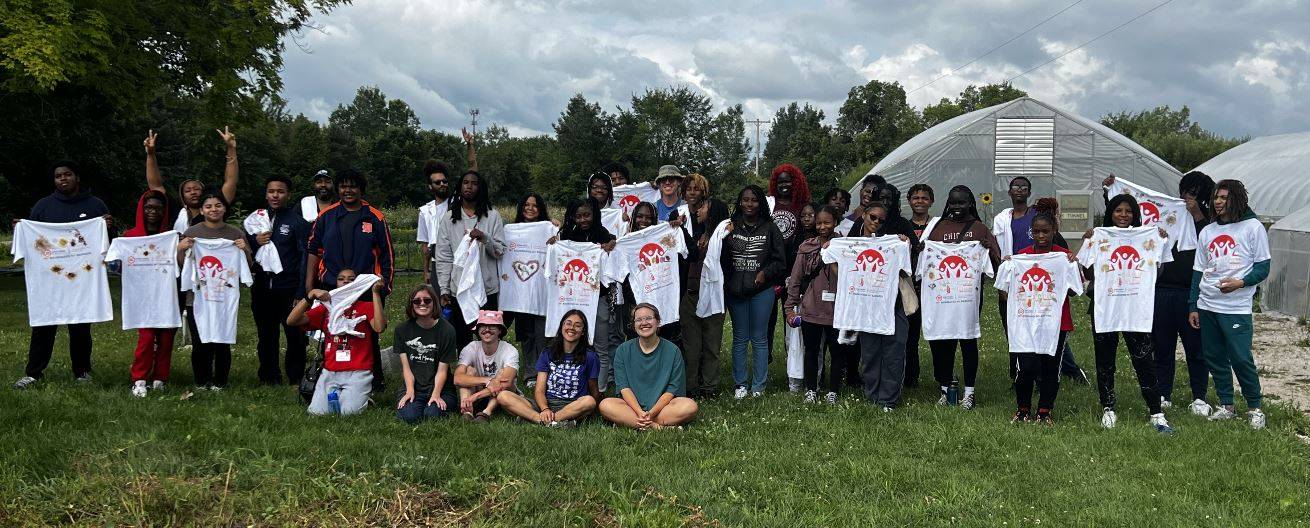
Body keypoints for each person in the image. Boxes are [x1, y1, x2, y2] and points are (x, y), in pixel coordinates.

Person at [12, 160, 113, 389]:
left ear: (77, 177)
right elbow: (34, 241)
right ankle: (33, 373)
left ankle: (82, 371)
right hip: (50, 279)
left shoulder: (96, 205)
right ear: (54, 180)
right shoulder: (43, 207)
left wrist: (107, 225)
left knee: (80, 326)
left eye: (67, 174)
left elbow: (108, 242)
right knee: (44, 325)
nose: (63, 179)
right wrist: (22, 229)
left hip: (82, 279)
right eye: (58, 176)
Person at [1079, 193, 1173, 433]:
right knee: (1105, 361)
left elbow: (1158, 273)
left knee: (1144, 360)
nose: (1123, 215)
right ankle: (1108, 408)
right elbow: (1087, 274)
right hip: (1105, 308)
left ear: (1135, 214)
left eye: (1128, 211)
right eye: (1118, 211)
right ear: (1110, 212)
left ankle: (1156, 411)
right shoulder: (1099, 237)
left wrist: (1161, 241)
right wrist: (1088, 241)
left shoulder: (1148, 237)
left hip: (1135, 309)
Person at [1190, 179, 1270, 429]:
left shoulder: (1252, 227)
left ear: (1236, 199)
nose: (1218, 202)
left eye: (1224, 197)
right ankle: (1227, 405)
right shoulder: (1208, 231)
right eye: (1216, 197)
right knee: (1214, 357)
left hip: (1236, 307)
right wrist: (1193, 304)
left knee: (1240, 357)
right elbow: (1197, 271)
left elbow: (1263, 267)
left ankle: (1255, 407)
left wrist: (1241, 282)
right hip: (1207, 305)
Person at [305, 168, 394, 390]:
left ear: (361, 189)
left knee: (368, 334)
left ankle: (374, 378)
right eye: (344, 186)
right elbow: (313, 250)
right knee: (333, 330)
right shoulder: (326, 216)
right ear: (338, 189)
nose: (348, 190)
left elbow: (387, 254)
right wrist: (309, 286)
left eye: (353, 186)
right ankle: (330, 373)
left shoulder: (375, 217)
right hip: (333, 286)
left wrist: (384, 288)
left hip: (365, 288)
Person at [921, 185, 999, 409]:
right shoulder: (936, 228)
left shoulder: (980, 229)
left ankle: (969, 391)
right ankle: (945, 389)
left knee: (967, 341)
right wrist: (922, 249)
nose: (957, 207)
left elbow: (997, 264)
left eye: (962, 202)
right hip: (941, 298)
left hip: (968, 299)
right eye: (953, 202)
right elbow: (923, 258)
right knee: (941, 342)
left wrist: (988, 249)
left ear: (970, 204)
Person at [1006, 203, 1078, 425]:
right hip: (1026, 321)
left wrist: (1073, 266)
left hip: (1056, 322)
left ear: (1054, 231)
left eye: (1045, 231)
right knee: (1026, 367)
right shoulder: (1021, 256)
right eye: (1036, 231)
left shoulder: (1064, 257)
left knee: (1050, 367)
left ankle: (1045, 411)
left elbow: (1075, 292)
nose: (1041, 236)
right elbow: (1005, 288)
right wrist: (1009, 265)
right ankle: (1023, 409)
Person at [177, 189, 252, 390]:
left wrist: (243, 249)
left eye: (218, 205)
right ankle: (202, 381)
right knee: (200, 340)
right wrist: (180, 248)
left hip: (224, 297)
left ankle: (220, 382)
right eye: (208, 206)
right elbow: (181, 265)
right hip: (197, 297)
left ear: (224, 208)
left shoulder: (235, 234)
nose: (213, 209)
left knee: (222, 339)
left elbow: (249, 265)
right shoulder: (192, 233)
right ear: (201, 209)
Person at [1154, 171, 1215, 415]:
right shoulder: (1169, 214)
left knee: (1196, 349)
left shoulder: (1210, 224)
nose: (1187, 199)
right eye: (1185, 193)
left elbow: (1210, 248)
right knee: (1162, 346)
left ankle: (1199, 396)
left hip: (1192, 295)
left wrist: (1197, 215)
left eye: (1194, 194)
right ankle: (1162, 393)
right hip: (1161, 291)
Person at [287, 269, 386, 416]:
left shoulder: (366, 306)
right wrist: (310, 296)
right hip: (331, 370)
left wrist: (376, 294)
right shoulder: (326, 308)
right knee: (317, 413)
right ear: (336, 283)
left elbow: (379, 327)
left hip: (358, 370)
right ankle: (349, 396)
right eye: (341, 278)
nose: (346, 281)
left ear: (358, 284)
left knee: (348, 413)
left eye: (351, 279)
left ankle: (362, 399)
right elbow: (291, 321)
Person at [722, 185, 788, 399]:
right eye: (745, 200)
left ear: (761, 204)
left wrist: (765, 273)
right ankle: (740, 384)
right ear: (739, 202)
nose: (749, 204)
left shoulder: (770, 228)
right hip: (735, 291)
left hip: (762, 290)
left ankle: (758, 386)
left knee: (760, 338)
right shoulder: (730, 227)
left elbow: (781, 262)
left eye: (754, 200)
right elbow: (719, 258)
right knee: (740, 337)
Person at [247, 175, 311, 385]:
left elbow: (304, 258)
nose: (275, 195)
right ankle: (269, 376)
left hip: (289, 287)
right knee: (266, 334)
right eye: (271, 191)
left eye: (280, 191)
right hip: (263, 286)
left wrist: (301, 291)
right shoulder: (256, 220)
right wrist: (255, 241)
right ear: (266, 194)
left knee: (294, 334)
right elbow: (246, 250)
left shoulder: (297, 222)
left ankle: (295, 376)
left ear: (288, 194)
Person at [433, 170, 506, 347]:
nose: (469, 186)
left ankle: (490, 369)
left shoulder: (492, 215)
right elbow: (443, 256)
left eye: (474, 183)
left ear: (480, 188)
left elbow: (500, 250)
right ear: (460, 187)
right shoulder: (449, 218)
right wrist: (444, 289)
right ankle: (465, 371)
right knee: (462, 337)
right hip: (459, 289)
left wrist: (485, 238)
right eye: (466, 182)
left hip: (487, 289)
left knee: (489, 334)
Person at [599, 303, 698, 429]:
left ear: (658, 322)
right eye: (639, 319)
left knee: (690, 406)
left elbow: (672, 390)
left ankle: (630, 422)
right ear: (634, 326)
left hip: (663, 408)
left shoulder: (673, 351)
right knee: (605, 405)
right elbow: (624, 388)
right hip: (631, 407)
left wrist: (651, 413)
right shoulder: (623, 350)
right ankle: (657, 428)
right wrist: (640, 412)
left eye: (649, 318)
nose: (644, 323)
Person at [557, 197, 620, 391]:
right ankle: (577, 386)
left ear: (594, 215)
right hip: (572, 299)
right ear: (572, 217)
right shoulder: (566, 236)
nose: (583, 219)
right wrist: (554, 243)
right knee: (575, 344)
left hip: (598, 296)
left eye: (587, 215)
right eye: (578, 216)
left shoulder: (603, 234)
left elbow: (614, 256)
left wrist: (610, 247)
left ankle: (600, 390)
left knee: (600, 345)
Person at [496, 310, 600, 427]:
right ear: (561, 326)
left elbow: (594, 390)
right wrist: (545, 409)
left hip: (573, 405)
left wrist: (592, 409)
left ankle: (543, 419)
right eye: (568, 323)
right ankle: (544, 420)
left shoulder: (590, 357)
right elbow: (539, 390)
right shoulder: (548, 352)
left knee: (589, 401)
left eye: (578, 325)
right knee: (503, 396)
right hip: (546, 403)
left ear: (583, 332)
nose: (572, 328)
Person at [785, 205, 845, 404]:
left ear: (835, 222)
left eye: (826, 222)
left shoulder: (845, 246)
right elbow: (795, 279)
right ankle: (811, 388)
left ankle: (833, 390)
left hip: (838, 309)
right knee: (811, 350)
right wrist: (789, 307)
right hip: (811, 307)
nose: (822, 227)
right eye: (819, 222)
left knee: (836, 350)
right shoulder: (806, 247)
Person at [678, 173, 730, 398]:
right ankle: (690, 387)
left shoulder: (724, 238)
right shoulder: (694, 233)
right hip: (690, 295)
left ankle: (709, 387)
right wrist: (678, 228)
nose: (698, 210)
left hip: (714, 297)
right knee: (691, 346)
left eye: (704, 207)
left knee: (711, 345)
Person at [144, 128, 239, 233]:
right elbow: (156, 186)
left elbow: (230, 182)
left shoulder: (215, 210)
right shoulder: (175, 211)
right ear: (182, 195)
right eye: (188, 190)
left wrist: (231, 148)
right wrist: (150, 154)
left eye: (196, 189)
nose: (193, 192)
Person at [392, 284, 459, 424]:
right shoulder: (402, 330)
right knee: (409, 416)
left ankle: (432, 404)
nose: (422, 304)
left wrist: (436, 394)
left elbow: (442, 370)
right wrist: (410, 391)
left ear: (434, 302)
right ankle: (415, 403)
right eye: (417, 301)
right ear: (411, 304)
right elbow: (406, 367)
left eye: (427, 300)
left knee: (432, 415)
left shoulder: (447, 330)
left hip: (442, 389)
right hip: (414, 387)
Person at [509, 193, 556, 386]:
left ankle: (545, 371)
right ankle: (530, 374)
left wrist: (556, 231)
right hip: (520, 292)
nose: (530, 208)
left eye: (535, 205)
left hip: (542, 291)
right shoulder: (511, 230)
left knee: (543, 333)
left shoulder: (549, 229)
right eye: (526, 205)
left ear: (541, 209)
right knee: (526, 334)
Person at [767, 164, 812, 364]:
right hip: (770, 267)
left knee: (792, 316)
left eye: (788, 181)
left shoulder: (801, 205)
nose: (784, 185)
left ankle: (793, 361)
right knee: (767, 317)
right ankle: (765, 358)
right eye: (780, 181)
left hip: (793, 268)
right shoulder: (769, 204)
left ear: (796, 183)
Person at [454, 310, 519, 422]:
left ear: (500, 331)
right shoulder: (471, 347)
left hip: (502, 396)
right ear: (478, 331)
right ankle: (467, 412)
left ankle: (486, 413)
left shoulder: (510, 350)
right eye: (483, 326)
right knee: (469, 371)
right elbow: (457, 378)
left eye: (492, 326)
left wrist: (475, 396)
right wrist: (487, 380)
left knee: (502, 374)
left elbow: (507, 383)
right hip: (479, 389)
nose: (487, 329)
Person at [904, 183, 935, 388]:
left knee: (936, 332)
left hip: (933, 286)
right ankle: (910, 376)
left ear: (931, 201)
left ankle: (943, 375)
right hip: (909, 285)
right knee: (910, 335)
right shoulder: (902, 226)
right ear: (909, 201)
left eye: (924, 198)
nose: (920, 201)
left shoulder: (938, 226)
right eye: (916, 198)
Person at [416, 160, 453, 286]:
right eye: (437, 182)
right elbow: (425, 246)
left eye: (444, 181)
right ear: (430, 186)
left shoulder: (456, 204)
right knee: (439, 301)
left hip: (457, 260)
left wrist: (469, 146)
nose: (442, 184)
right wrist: (426, 270)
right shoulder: (425, 211)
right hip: (437, 263)